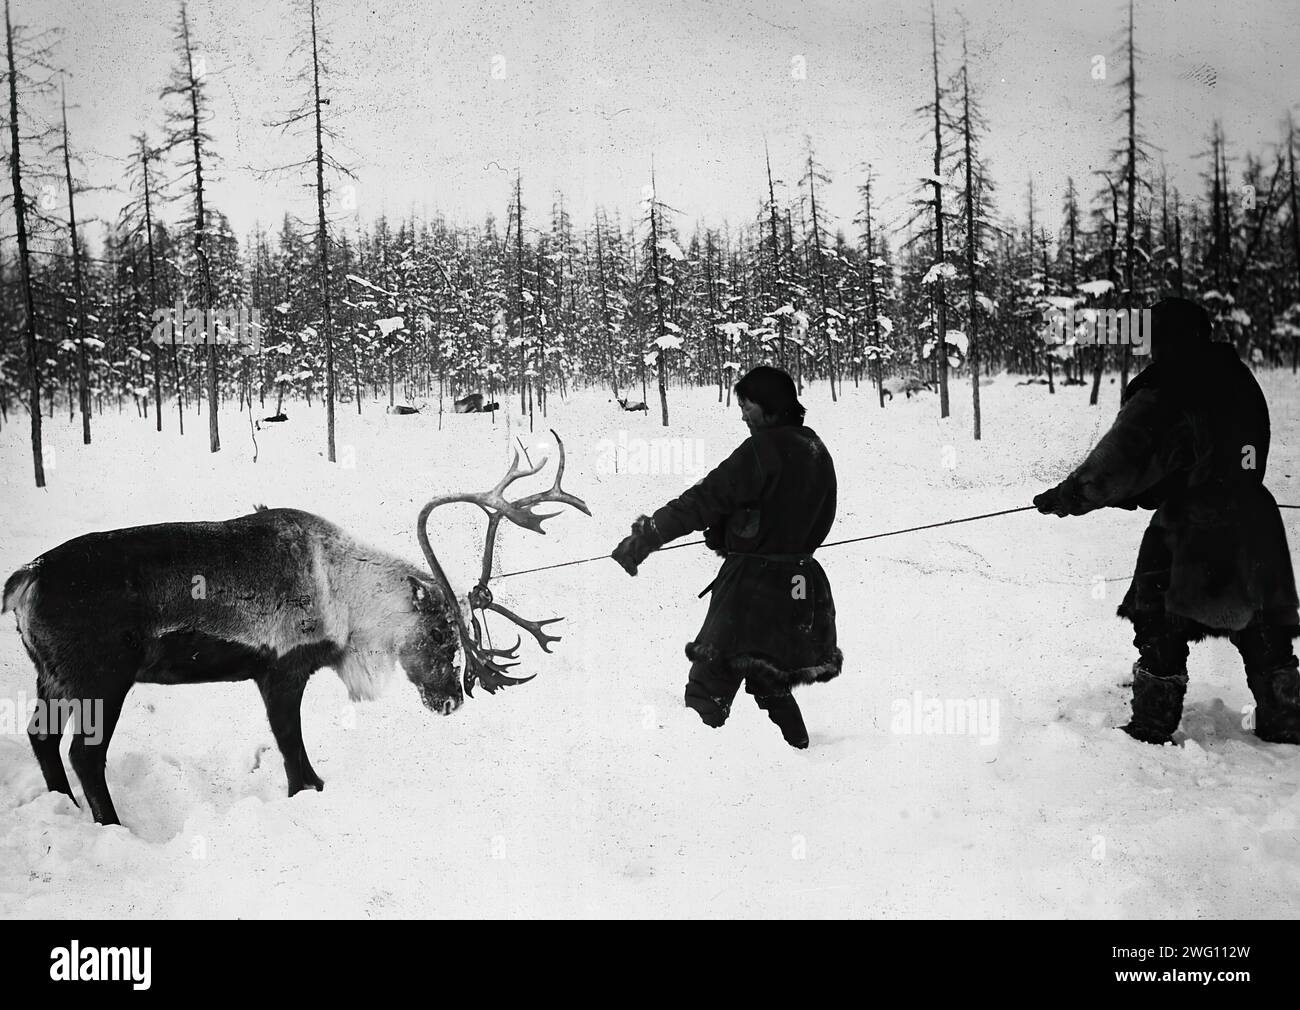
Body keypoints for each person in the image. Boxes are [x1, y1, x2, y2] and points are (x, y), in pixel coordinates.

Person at [1034, 296, 1300, 745]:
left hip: (1192, 527)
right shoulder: (1237, 376)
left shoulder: (1170, 385)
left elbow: (1120, 460)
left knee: (1159, 621)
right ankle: (1285, 717)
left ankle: (1153, 723)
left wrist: (1069, 496)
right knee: (1263, 630)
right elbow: (1216, 450)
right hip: (1256, 520)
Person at [610, 366, 841, 748]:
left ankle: (693, 774)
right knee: (770, 679)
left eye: (748, 406)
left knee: (708, 687)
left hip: (751, 589)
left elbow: (701, 501)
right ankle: (804, 755)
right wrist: (747, 529)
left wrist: (646, 536)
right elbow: (806, 512)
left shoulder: (761, 450)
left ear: (770, 407)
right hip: (801, 587)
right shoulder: (815, 448)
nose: (743, 415)